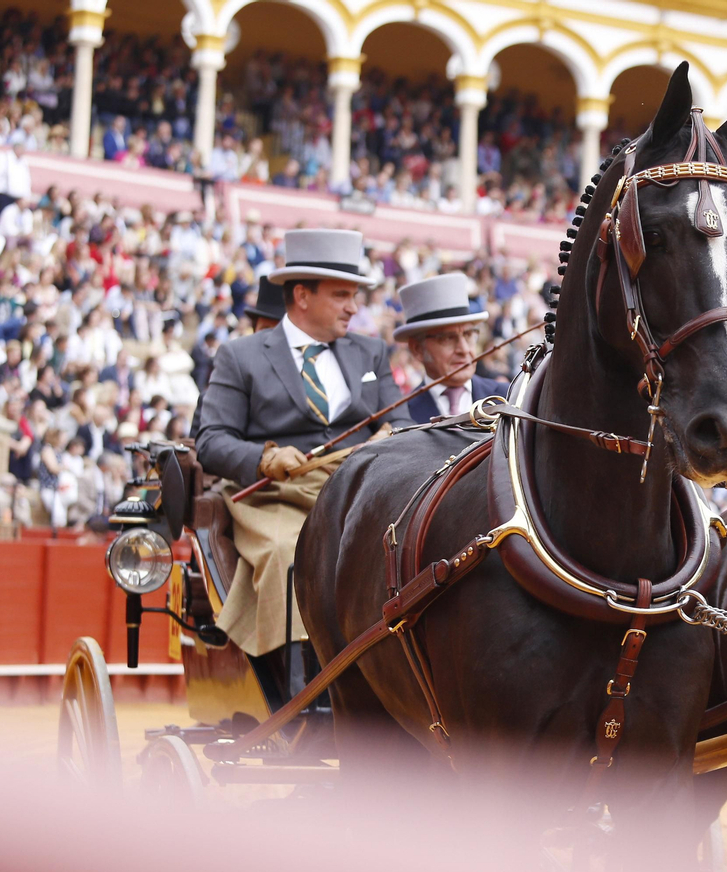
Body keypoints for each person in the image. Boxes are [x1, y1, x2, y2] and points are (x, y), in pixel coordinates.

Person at [195, 228, 410, 658]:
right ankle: (298, 691)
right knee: (285, 554)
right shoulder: (241, 355)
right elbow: (211, 441)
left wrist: (389, 437)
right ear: (302, 296)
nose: (353, 307)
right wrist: (266, 457)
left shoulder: (370, 352)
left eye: (355, 295)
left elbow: (400, 422)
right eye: (341, 295)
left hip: (360, 495)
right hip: (276, 497)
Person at [394, 273, 509, 423]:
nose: (464, 349)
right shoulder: (401, 416)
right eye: (447, 338)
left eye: (468, 335)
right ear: (417, 349)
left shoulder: (509, 397)